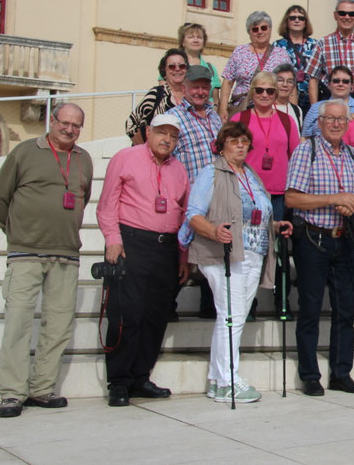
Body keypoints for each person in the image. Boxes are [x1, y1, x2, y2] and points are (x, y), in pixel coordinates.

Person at [0, 104, 93, 418]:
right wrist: (17, 231)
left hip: (66, 253)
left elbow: (83, 197)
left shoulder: (84, 159)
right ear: (52, 121)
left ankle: (42, 388)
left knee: (58, 326)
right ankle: (12, 393)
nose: (69, 129)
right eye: (65, 123)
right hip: (26, 253)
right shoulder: (25, 152)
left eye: (76, 125)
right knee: (17, 324)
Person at [181, 121, 292, 403]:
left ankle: (217, 380)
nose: (240, 146)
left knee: (235, 317)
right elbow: (193, 214)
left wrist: (275, 225)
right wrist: (213, 231)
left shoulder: (251, 174)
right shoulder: (211, 173)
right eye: (233, 141)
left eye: (244, 141)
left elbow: (256, 215)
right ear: (222, 146)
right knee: (231, 315)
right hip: (223, 254)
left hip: (253, 253)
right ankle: (228, 379)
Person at [96, 113, 190, 407]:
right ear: (148, 132)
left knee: (155, 316)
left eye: (173, 136)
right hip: (131, 243)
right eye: (162, 133)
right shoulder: (126, 158)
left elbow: (183, 214)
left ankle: (140, 377)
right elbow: (107, 203)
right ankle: (119, 381)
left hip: (166, 248)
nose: (167, 140)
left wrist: (183, 255)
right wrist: (112, 238)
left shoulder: (179, 169)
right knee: (127, 314)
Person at [286, 99, 354, 396]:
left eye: (341, 119)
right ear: (320, 122)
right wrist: (334, 199)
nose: (336, 124)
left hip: (344, 238)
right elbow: (292, 198)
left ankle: (341, 372)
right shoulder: (306, 150)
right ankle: (310, 374)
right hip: (314, 238)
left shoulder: (352, 154)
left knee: (345, 310)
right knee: (310, 309)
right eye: (331, 119)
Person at [230, 71, 301, 318]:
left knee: (279, 249)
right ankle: (247, 304)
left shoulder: (286, 121)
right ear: (252, 92)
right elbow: (229, 154)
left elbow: (295, 156)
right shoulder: (241, 118)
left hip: (278, 194)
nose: (264, 94)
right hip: (248, 194)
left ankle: (282, 301)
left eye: (270, 91)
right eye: (259, 90)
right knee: (247, 250)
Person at [166, 66, 223, 320]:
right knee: (182, 257)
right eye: (195, 87)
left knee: (213, 257)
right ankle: (166, 305)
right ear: (184, 88)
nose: (200, 91)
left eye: (204, 87)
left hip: (217, 198)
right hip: (189, 200)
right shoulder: (174, 117)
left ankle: (209, 308)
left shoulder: (215, 117)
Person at [125, 48, 189, 144]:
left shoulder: (190, 97)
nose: (177, 69)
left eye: (182, 66)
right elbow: (130, 124)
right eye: (172, 66)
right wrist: (144, 150)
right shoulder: (156, 94)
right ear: (164, 71)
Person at [273, 5, 319, 112]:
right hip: (285, 99)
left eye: (301, 18)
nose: (297, 20)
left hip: (310, 99)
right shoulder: (278, 45)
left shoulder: (315, 45)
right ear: (286, 21)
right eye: (293, 18)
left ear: (305, 22)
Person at [300, 66, 354, 138]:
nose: (340, 84)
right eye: (336, 81)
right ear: (329, 85)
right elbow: (304, 138)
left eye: (345, 81)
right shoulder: (315, 108)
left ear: (351, 86)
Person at [179, 23, 221, 110]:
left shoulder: (211, 69)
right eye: (191, 37)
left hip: (206, 114)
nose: (196, 40)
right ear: (183, 42)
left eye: (199, 37)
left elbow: (216, 101)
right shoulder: (174, 66)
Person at [272, 64, 305, 134]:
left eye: (290, 82)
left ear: (293, 87)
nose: (285, 85)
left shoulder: (297, 110)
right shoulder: (265, 108)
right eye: (280, 80)